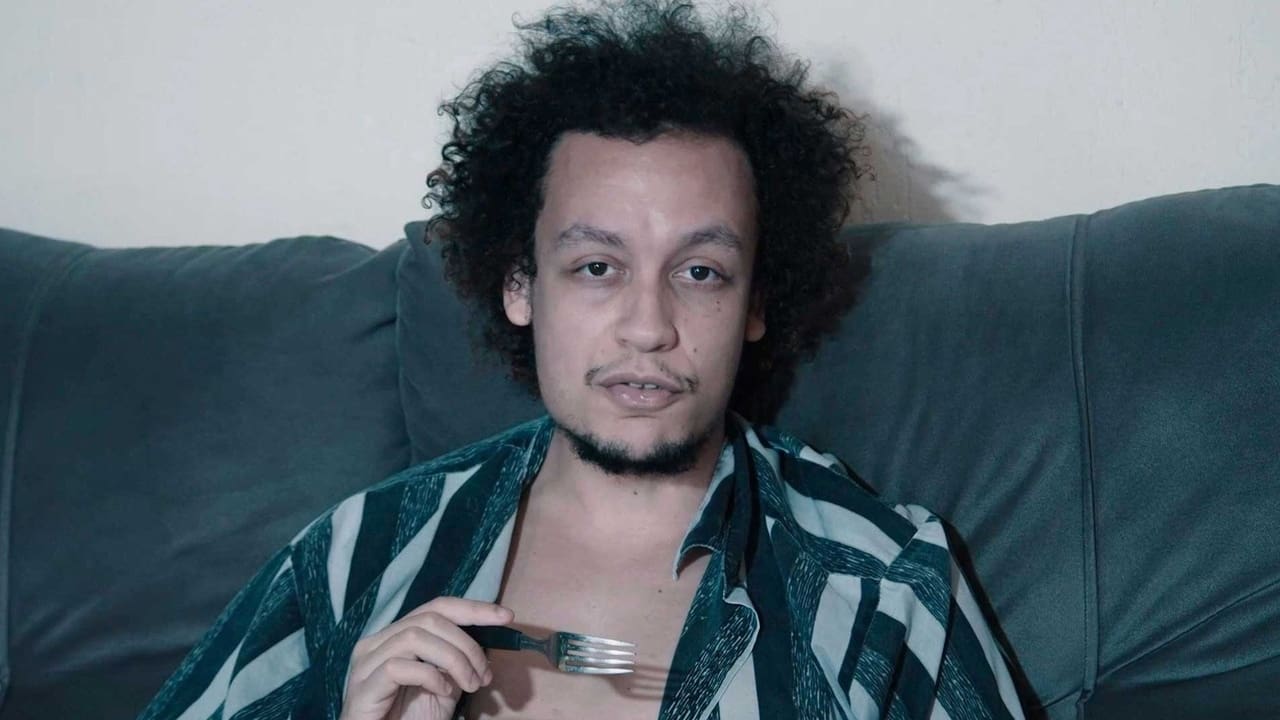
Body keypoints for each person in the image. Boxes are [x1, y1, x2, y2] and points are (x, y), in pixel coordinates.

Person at [140, 1, 1026, 718]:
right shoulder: (355, 557)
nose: (648, 327)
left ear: (756, 302)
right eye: (598, 267)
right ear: (520, 285)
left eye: (700, 271)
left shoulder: (881, 584)